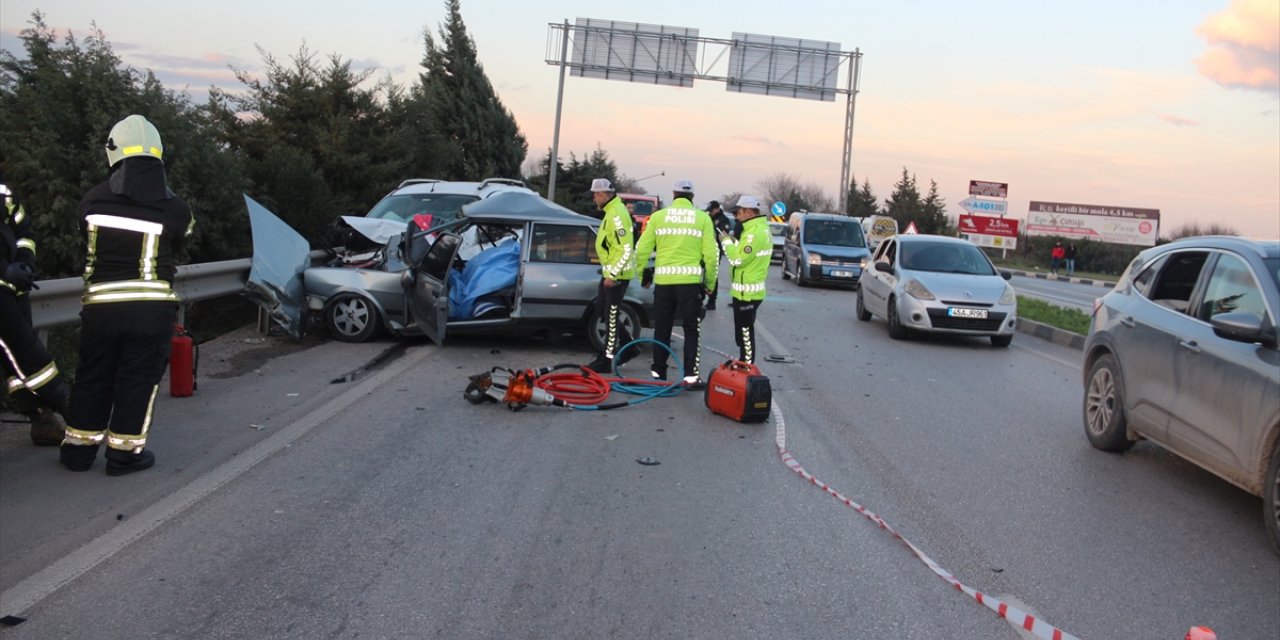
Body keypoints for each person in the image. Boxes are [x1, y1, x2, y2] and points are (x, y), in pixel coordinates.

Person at [60, 115, 194, 475]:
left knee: (92, 374)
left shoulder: (92, 200)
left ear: (114, 151)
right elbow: (182, 239)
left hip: (101, 308)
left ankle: (78, 450)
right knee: (138, 379)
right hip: (150, 311)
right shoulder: (175, 207)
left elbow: (82, 236)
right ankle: (123, 455)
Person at [1, 166, 71, 445]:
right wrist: (5, 270)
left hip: (14, 287)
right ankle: (69, 407)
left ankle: (40, 419)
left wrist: (24, 264)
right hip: (5, 284)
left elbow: (24, 231)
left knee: (14, 361)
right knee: (26, 351)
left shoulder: (4, 192)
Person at [633, 179, 718, 389]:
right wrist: (710, 283)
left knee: (662, 328)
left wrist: (642, 275)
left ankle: (659, 374)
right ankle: (690, 376)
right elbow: (711, 255)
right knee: (691, 329)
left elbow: (641, 249)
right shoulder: (703, 219)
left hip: (664, 283)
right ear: (692, 197)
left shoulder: (658, 217)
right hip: (689, 284)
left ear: (673, 194)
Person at [585, 178, 636, 373]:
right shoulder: (611, 212)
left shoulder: (616, 215)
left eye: (596, 195)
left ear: (605, 195)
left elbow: (626, 249)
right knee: (603, 311)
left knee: (611, 315)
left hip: (617, 274)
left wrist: (613, 274)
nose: (594, 198)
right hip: (611, 272)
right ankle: (629, 346)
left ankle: (606, 359)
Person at [718, 195, 772, 364]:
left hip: (747, 293)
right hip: (744, 290)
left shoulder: (754, 233)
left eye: (739, 212)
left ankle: (747, 365)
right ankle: (744, 362)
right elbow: (745, 254)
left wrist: (726, 242)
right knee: (742, 333)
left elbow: (738, 260)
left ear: (748, 212)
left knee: (745, 333)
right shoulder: (755, 230)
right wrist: (734, 242)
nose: (736, 216)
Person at [703, 200, 734, 311]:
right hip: (704, 249)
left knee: (712, 274)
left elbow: (722, 235)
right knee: (702, 273)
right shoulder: (709, 218)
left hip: (715, 250)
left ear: (717, 209)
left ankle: (712, 301)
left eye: (711, 210)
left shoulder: (723, 220)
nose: (710, 212)